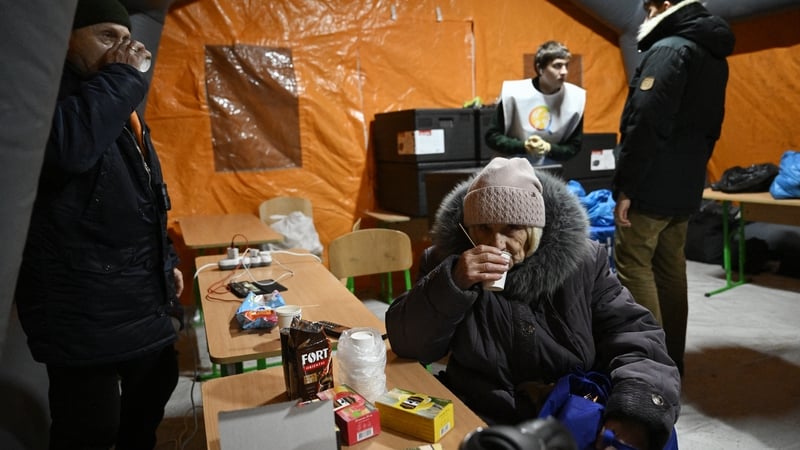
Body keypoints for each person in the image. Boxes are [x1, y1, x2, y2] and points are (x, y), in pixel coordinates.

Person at [387, 157, 680, 450]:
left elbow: (634, 334)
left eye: (512, 228)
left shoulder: (583, 262)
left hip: (568, 413)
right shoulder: (445, 264)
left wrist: (635, 408)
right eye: (483, 228)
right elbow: (409, 344)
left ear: (535, 227)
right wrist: (452, 284)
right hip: (481, 413)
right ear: (467, 228)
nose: (497, 243)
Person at [14, 0, 185, 448]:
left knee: (154, 392)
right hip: (83, 310)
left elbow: (146, 200)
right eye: (107, 36)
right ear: (65, 39)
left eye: (127, 39)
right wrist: (123, 76)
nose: (122, 49)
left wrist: (167, 264)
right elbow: (65, 149)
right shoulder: (59, 97)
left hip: (138, 296)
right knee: (89, 427)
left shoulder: (118, 101)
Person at [612, 0, 735, 376]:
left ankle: (648, 365)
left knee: (634, 265)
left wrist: (627, 185)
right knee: (670, 268)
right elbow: (711, 126)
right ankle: (672, 360)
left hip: (651, 182)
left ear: (663, 6)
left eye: (648, 9)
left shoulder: (669, 49)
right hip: (685, 182)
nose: (644, 18)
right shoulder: (714, 55)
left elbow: (645, 121)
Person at [485, 41, 585, 162]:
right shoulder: (513, 93)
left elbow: (574, 147)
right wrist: (523, 146)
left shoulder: (576, 98)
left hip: (549, 170)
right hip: (512, 166)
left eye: (566, 65)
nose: (564, 72)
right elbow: (492, 136)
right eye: (557, 66)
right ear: (540, 68)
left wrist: (549, 148)